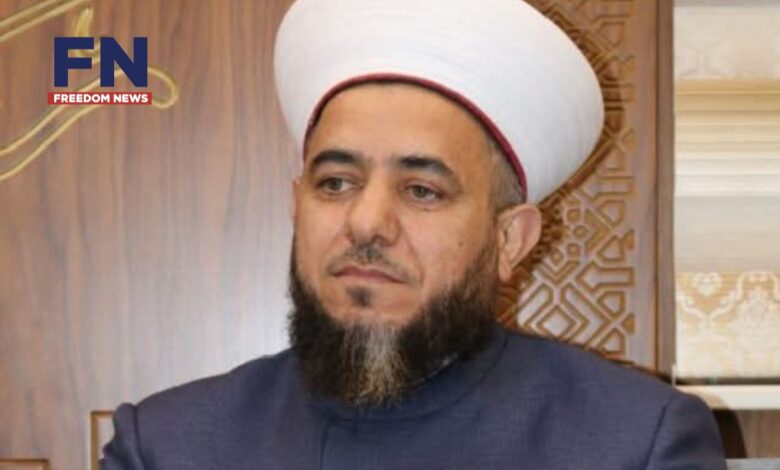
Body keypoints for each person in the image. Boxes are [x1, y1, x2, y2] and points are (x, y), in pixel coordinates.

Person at [101, 0, 727, 468]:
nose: (366, 222)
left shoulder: (635, 443)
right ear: (297, 205)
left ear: (510, 240)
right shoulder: (165, 447)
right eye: (336, 182)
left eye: (423, 190)